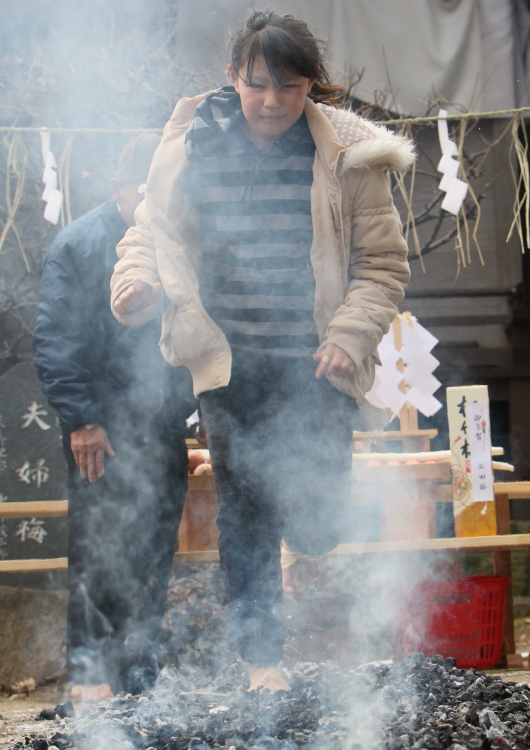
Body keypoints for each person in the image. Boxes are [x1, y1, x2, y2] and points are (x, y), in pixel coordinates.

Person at [110, 10, 413, 692]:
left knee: (316, 525)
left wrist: (349, 335)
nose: (272, 101)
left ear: (312, 84)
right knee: (244, 516)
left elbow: (384, 264)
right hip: (229, 366)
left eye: (289, 85)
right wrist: (136, 284)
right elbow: (149, 235)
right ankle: (262, 665)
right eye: (257, 84)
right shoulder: (189, 148)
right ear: (232, 78)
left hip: (316, 368)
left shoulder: (350, 156)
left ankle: (306, 536)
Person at [33, 135, 196, 702]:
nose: (156, 205)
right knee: (99, 545)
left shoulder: (178, 241)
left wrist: (190, 413)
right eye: (145, 192)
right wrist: (80, 419)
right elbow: (56, 341)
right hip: (99, 429)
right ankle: (89, 675)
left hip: (161, 427)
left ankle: (135, 672)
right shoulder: (78, 245)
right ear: (118, 189)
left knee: (154, 548)